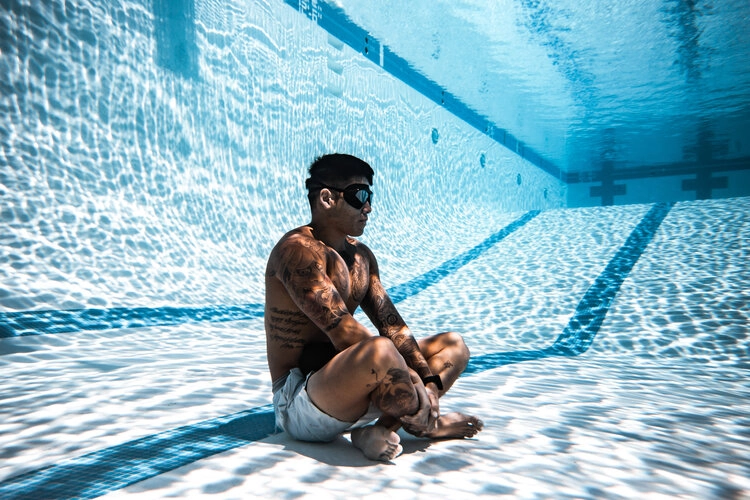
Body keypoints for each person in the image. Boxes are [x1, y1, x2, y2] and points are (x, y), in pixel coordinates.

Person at [265, 153, 483, 461]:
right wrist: (416, 380)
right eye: (360, 196)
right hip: (302, 402)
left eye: (371, 196)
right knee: (382, 351)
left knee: (453, 346)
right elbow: (343, 331)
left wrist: (431, 387)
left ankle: (383, 429)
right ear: (327, 198)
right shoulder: (297, 252)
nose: (368, 207)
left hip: (355, 384)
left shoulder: (361, 257)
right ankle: (423, 425)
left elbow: (393, 326)